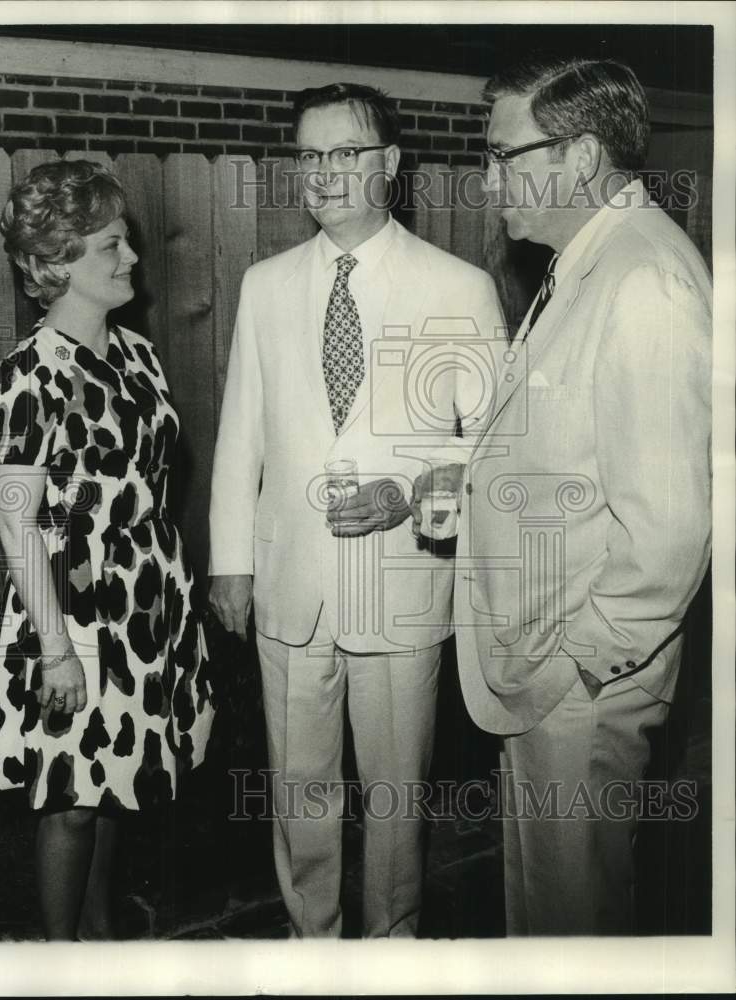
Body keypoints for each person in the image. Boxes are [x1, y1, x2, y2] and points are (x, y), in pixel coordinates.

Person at [416, 55, 712, 934]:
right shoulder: (588, 259)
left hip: (580, 677)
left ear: (579, 157)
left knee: (572, 919)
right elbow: (576, 458)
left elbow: (669, 525)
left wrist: (584, 661)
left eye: (505, 154)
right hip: (547, 665)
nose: (488, 177)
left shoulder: (644, 282)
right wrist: (473, 489)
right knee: (547, 909)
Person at [208, 82, 505, 937]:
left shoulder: (458, 287)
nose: (323, 173)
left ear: (389, 164)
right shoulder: (265, 286)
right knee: (299, 796)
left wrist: (410, 495)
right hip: (289, 593)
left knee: (394, 804)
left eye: (344, 153)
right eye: (308, 156)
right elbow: (241, 437)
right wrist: (232, 562)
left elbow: (488, 452)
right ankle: (312, 946)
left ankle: (388, 952)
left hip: (402, 590)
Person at [0, 159, 215, 940]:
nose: (131, 259)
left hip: (144, 604)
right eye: (110, 246)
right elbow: (19, 521)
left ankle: (100, 941)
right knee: (71, 806)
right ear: (56, 264)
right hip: (69, 602)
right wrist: (55, 647)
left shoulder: (141, 358)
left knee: (119, 784)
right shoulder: (26, 374)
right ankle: (58, 960)